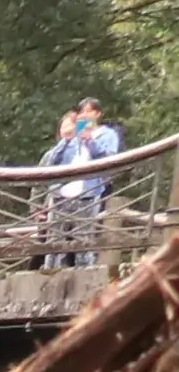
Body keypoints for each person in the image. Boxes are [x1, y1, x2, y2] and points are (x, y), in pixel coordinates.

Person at [49, 99, 125, 264]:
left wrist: (89, 139)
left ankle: (84, 274)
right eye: (82, 112)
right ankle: (52, 271)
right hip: (62, 192)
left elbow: (109, 160)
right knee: (55, 240)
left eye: (88, 111)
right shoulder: (73, 134)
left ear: (97, 113)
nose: (85, 115)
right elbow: (53, 159)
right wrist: (67, 140)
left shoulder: (108, 135)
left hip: (88, 193)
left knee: (84, 239)